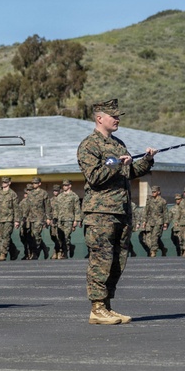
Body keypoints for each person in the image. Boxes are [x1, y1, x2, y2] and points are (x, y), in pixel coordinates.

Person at [76, 99, 157, 325]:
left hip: (121, 211)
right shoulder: (89, 145)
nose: (118, 119)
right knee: (101, 260)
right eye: (113, 116)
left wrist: (147, 159)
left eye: (118, 116)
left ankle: (106, 306)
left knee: (118, 261)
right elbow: (94, 177)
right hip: (100, 213)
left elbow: (129, 172)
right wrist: (116, 165)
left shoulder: (119, 144)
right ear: (99, 118)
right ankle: (97, 308)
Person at [0, 177, 20, 260]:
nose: (3, 183)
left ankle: (3, 254)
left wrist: (17, 220)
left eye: (5, 182)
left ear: (9, 183)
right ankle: (12, 251)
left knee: (6, 236)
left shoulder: (12, 194)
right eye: (3, 182)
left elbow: (16, 208)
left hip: (9, 218)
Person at [51, 180, 82, 260]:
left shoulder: (74, 196)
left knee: (66, 236)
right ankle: (63, 249)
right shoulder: (60, 196)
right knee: (59, 237)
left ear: (70, 186)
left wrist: (76, 220)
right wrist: (55, 217)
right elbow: (56, 208)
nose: (64, 186)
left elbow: (77, 209)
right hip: (60, 219)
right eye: (63, 185)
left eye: (66, 185)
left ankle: (65, 252)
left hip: (69, 219)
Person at [22, 177, 51, 260]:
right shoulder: (30, 194)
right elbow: (27, 206)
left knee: (36, 234)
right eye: (33, 183)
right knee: (31, 236)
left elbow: (47, 206)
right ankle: (43, 248)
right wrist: (24, 216)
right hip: (31, 218)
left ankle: (36, 251)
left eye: (35, 183)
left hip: (40, 217)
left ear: (39, 183)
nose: (34, 184)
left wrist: (48, 218)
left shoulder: (43, 193)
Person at [141, 185, 168, 257]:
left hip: (158, 222)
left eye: (154, 192)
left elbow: (165, 212)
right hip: (150, 221)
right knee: (147, 239)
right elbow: (146, 211)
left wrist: (165, 223)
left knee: (155, 237)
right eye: (152, 192)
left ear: (158, 192)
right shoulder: (149, 201)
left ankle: (153, 251)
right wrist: (144, 221)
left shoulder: (162, 201)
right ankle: (162, 248)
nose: (153, 193)